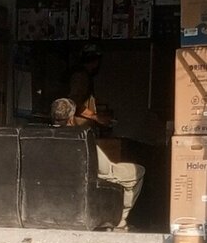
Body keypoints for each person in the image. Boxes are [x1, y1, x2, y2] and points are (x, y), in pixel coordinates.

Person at [51, 97, 144, 230]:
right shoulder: (82, 137)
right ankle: (120, 220)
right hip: (87, 176)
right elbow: (103, 169)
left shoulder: (38, 135)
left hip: (58, 179)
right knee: (138, 171)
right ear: (71, 119)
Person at [67, 44, 113, 129]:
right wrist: (95, 117)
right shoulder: (80, 76)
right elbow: (74, 102)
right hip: (77, 128)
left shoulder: (84, 75)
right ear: (96, 61)